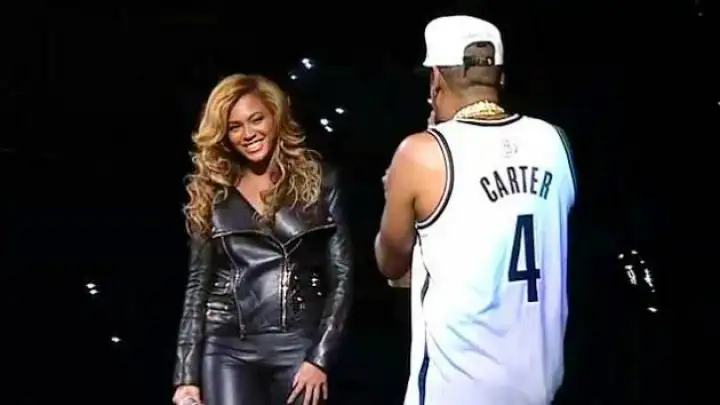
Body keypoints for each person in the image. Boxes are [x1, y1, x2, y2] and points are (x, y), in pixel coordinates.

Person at [374, 16, 576, 405]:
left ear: (436, 80)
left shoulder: (422, 153)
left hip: (457, 390)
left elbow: (390, 262)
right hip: (541, 388)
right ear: (500, 76)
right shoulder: (554, 141)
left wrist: (394, 194)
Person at [172, 74, 353, 405]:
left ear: (275, 116)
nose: (248, 134)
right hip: (226, 350)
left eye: (256, 119)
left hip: (297, 345)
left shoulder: (319, 182)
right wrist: (186, 377)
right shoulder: (211, 193)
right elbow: (198, 286)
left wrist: (320, 358)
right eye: (235, 127)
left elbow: (342, 276)